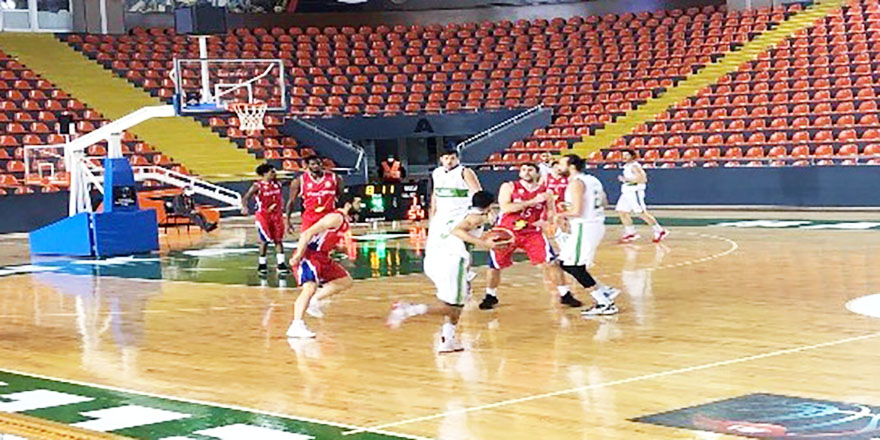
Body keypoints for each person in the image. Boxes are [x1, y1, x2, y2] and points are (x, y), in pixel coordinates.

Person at [386, 191, 508, 353]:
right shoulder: (477, 218)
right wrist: (484, 243)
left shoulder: (459, 213)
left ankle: (447, 340)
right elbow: (458, 231)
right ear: (490, 205)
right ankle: (409, 309)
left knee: (457, 304)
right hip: (452, 262)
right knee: (453, 307)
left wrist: (483, 236)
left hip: (434, 260)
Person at [477, 163, 583, 310]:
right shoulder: (509, 186)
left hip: (532, 231)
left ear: (537, 173)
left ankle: (565, 294)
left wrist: (547, 221)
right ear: (520, 173)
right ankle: (490, 295)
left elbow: (551, 212)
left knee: (551, 262)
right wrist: (532, 201)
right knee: (495, 266)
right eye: (523, 170)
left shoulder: (546, 192)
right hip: (507, 230)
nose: (526, 172)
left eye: (530, 170)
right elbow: (506, 207)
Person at [286, 194, 361, 338]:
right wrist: (298, 255)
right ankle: (296, 325)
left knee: (345, 281)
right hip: (309, 255)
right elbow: (307, 233)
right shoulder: (335, 217)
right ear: (347, 204)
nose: (360, 206)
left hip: (323, 256)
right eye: (357, 202)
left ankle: (315, 300)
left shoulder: (345, 221)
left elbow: (326, 239)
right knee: (309, 287)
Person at [554, 154, 621, 316]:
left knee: (573, 266)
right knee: (563, 263)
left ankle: (604, 302)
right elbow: (604, 202)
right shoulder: (593, 179)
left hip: (585, 226)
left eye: (560, 164)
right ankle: (605, 291)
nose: (557, 167)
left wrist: (560, 214)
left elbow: (577, 211)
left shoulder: (576, 183)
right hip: (594, 224)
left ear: (571, 166)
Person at [242, 163, 289, 275]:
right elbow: (245, 198)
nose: (274, 173)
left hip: (277, 215)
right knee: (264, 240)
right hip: (263, 215)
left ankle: (281, 264)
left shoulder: (278, 183)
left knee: (278, 240)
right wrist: (244, 207)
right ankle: (262, 264)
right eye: (272, 172)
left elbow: (291, 182)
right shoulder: (257, 186)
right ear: (264, 174)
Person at [616, 149, 668, 243]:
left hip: (634, 191)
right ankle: (631, 233)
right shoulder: (626, 166)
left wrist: (626, 180)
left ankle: (660, 231)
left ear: (632, 156)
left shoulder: (635, 166)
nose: (624, 157)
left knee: (641, 213)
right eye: (623, 155)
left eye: (626, 155)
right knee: (622, 211)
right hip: (626, 192)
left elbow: (643, 179)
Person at [287, 155, 343, 233]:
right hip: (310, 217)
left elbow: (340, 196)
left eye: (318, 163)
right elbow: (291, 201)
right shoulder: (299, 181)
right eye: (313, 164)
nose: (316, 166)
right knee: (307, 242)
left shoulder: (335, 178)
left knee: (330, 243)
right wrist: (288, 221)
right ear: (307, 165)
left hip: (328, 215)